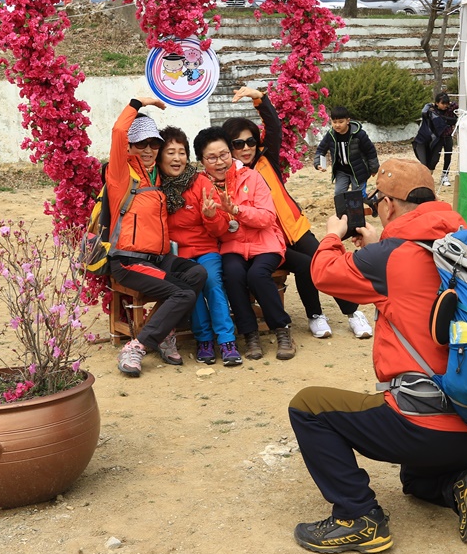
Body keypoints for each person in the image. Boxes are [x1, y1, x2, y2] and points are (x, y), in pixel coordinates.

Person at [288, 158, 467, 554]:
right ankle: (463, 483)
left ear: (387, 205)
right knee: (415, 481)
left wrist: (333, 236)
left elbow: (324, 274)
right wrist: (378, 250)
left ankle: (358, 517)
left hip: (421, 427)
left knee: (307, 406)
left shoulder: (390, 256)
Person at [228, 86, 373, 340]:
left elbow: (273, 127)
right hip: (268, 239)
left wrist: (259, 98)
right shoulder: (229, 175)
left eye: (251, 141)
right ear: (229, 148)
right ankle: (316, 315)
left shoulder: (266, 160)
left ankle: (352, 313)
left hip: (295, 228)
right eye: (238, 144)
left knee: (325, 261)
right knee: (307, 267)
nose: (246, 147)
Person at [111, 97, 208, 377]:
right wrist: (138, 103)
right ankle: (137, 346)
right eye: (141, 144)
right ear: (129, 147)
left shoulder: (155, 176)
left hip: (158, 259)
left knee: (197, 274)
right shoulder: (121, 174)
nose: (149, 149)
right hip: (129, 261)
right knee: (183, 292)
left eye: (154, 143)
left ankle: (162, 331)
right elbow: (119, 132)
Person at [193, 126, 296, 361]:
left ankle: (282, 329)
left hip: (265, 243)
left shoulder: (252, 177)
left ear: (231, 153)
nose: (219, 162)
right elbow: (214, 231)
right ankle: (249, 334)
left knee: (258, 275)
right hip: (232, 246)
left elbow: (267, 218)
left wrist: (237, 210)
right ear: (201, 161)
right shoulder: (202, 185)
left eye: (224, 155)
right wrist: (210, 217)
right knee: (232, 273)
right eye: (212, 158)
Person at [157, 126, 242, 366]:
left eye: (182, 152)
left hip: (206, 250)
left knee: (213, 282)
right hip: (175, 256)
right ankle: (204, 339)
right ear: (160, 155)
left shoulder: (200, 182)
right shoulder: (155, 187)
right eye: (170, 152)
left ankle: (227, 340)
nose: (177, 158)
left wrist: (210, 216)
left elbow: (221, 229)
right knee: (189, 289)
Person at [313, 105, 380, 195]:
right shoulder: (330, 135)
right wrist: (318, 163)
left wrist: (374, 168)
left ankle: (373, 203)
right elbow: (321, 150)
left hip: (358, 171)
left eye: (341, 122)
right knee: (339, 194)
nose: (337, 125)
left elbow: (370, 151)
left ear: (348, 121)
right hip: (341, 171)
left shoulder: (359, 134)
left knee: (358, 196)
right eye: (334, 122)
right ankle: (344, 209)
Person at [413, 92, 459, 186]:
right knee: (434, 159)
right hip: (438, 138)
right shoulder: (432, 110)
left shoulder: (449, 109)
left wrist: (449, 104)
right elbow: (423, 112)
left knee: (448, 156)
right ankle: (428, 176)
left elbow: (457, 106)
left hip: (448, 136)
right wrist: (429, 105)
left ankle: (445, 175)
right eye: (443, 103)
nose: (445, 106)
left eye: (446, 103)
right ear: (437, 103)